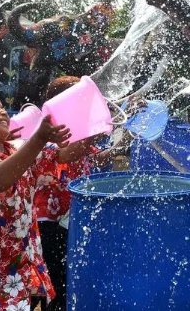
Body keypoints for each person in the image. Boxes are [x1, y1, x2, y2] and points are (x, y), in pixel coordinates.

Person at [0, 93, 102, 311]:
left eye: (2, 106)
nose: (3, 111)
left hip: (17, 275)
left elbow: (66, 154)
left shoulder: (16, 148)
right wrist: (38, 139)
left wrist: (93, 123)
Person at [33, 76, 124, 311]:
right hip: (47, 217)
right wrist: (97, 122)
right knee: (52, 274)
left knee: (65, 274)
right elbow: (70, 153)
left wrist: (128, 131)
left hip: (68, 214)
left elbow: (100, 156)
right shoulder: (46, 130)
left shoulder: (76, 129)